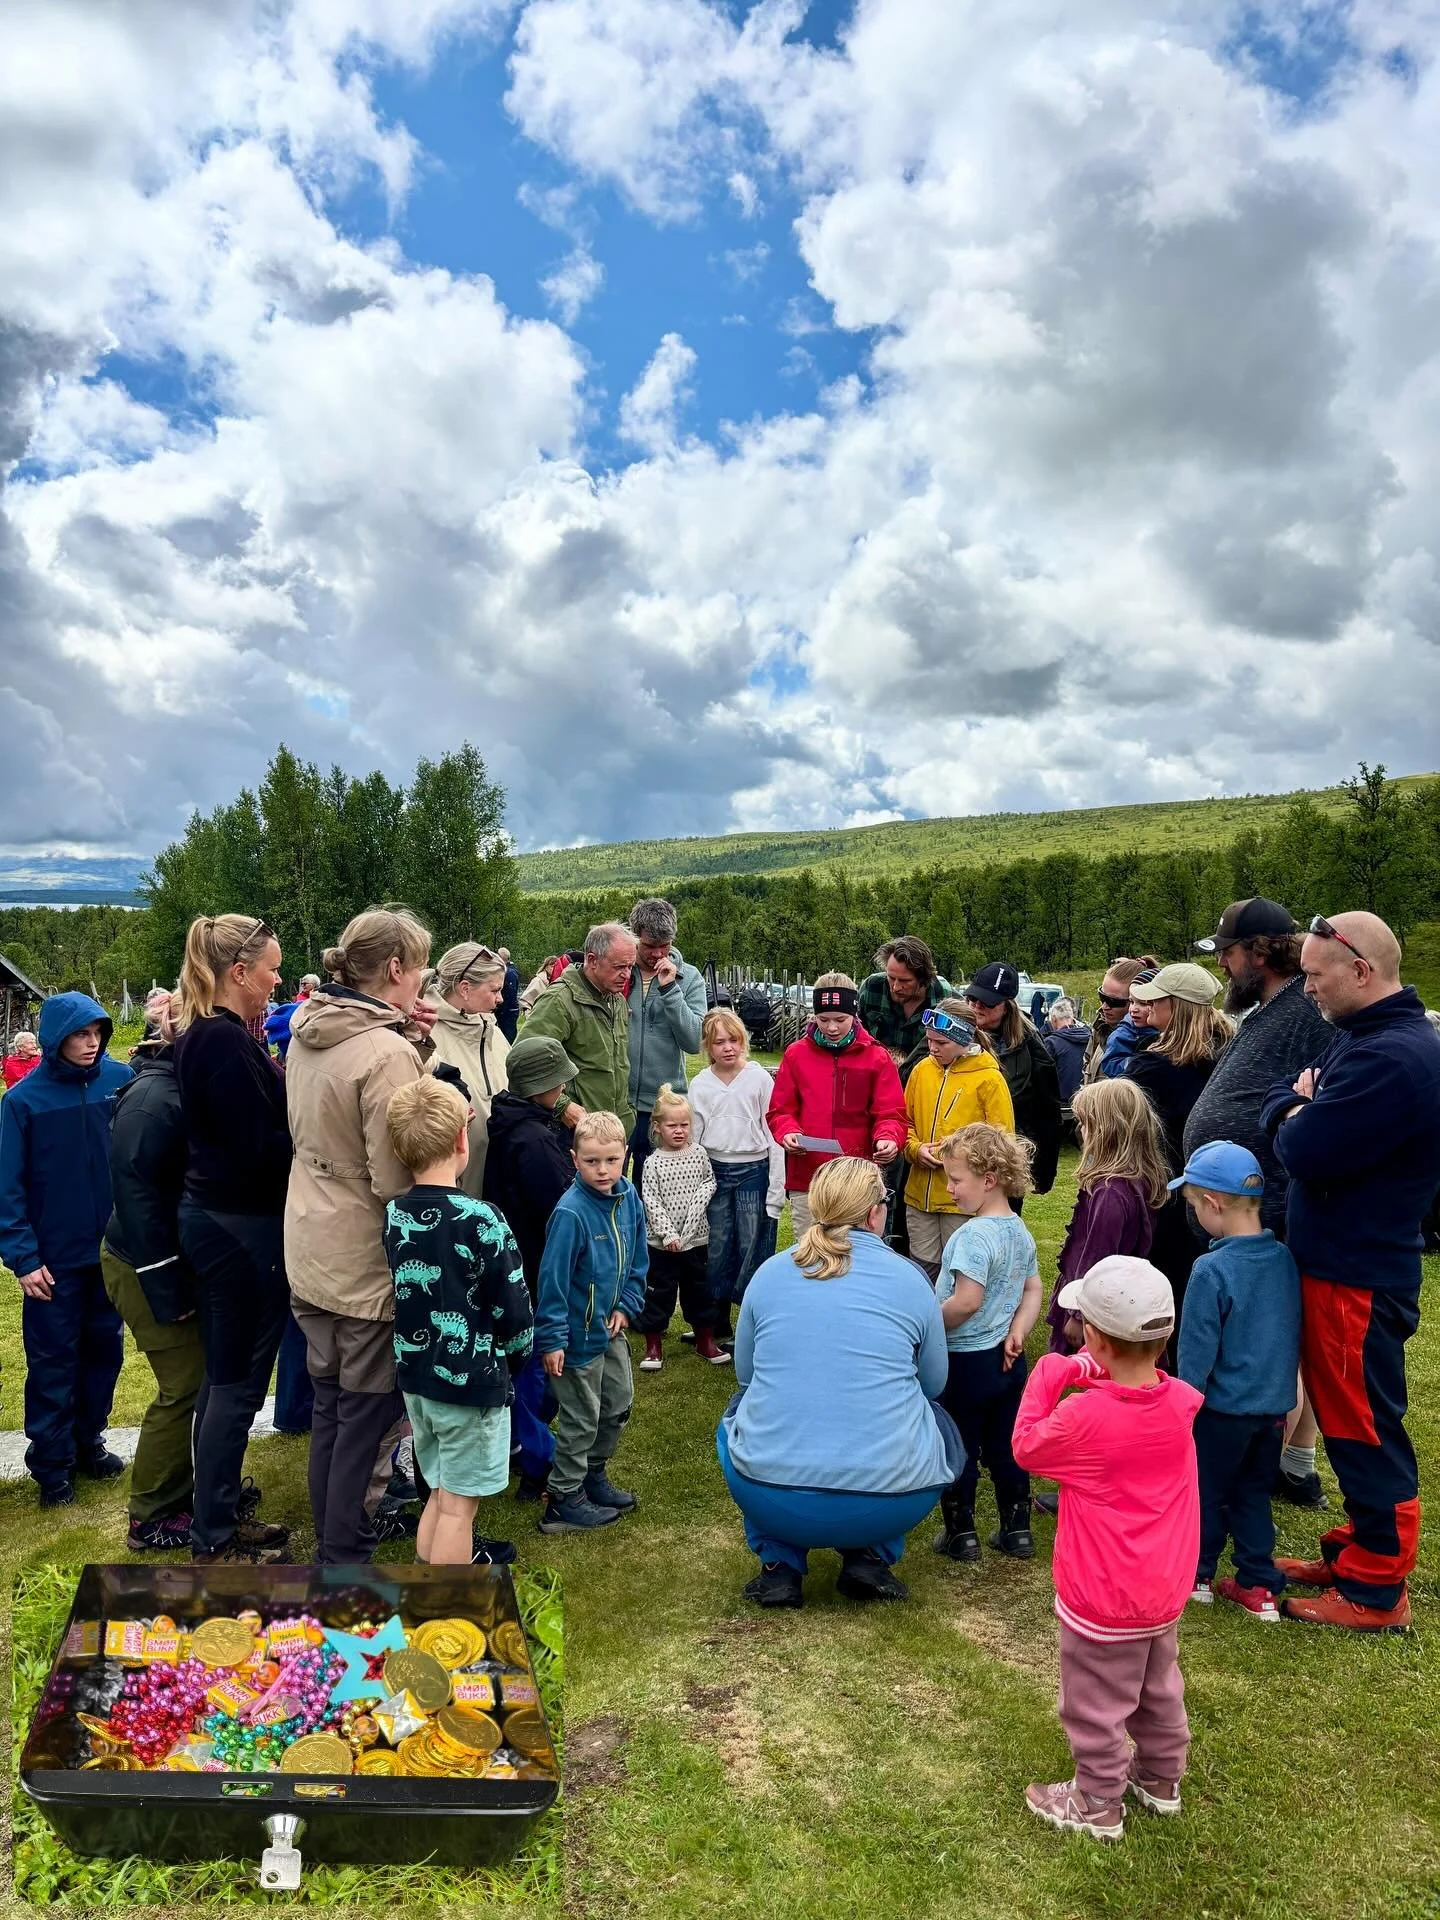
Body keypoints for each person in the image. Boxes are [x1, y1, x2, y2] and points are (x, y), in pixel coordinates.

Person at [1262, 910, 1440, 1632]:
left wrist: (1295, 1108)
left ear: (1360, 970)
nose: (1307, 988)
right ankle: (1358, 1552)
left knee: (1364, 1427)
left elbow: (1305, 1150)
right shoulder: (1371, 1040)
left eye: (1315, 975)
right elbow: (1294, 1105)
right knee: (1348, 1419)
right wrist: (1295, 1104)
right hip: (1347, 1261)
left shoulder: (1390, 1056)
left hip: (1356, 1271)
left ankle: (1375, 1589)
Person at [1014, 1257, 1201, 1843]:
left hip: (1102, 1594)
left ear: (1091, 1336)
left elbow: (1026, 1448)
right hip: (1163, 1587)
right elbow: (1131, 1410)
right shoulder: (1180, 1404)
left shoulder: (1082, 1417)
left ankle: (1097, 1799)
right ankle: (1162, 1778)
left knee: (1094, 1699)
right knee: (1157, 1684)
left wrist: (1051, 1372)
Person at [718, 1156, 956, 1609]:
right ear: (874, 1213)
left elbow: (745, 1376)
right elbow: (934, 1384)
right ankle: (870, 1553)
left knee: (741, 1411)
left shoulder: (769, 1274)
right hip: (892, 1496)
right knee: (935, 1419)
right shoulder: (911, 1279)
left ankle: (778, 1565)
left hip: (770, 1492)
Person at [284, 907, 441, 1566]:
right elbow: (397, 1171)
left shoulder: (309, 1028)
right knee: (367, 1416)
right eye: (421, 970)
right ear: (397, 969)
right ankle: (344, 1551)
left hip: (309, 1236)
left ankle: (334, 1538)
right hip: (363, 1256)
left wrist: (415, 1048)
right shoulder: (384, 1052)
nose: (424, 984)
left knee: (330, 1407)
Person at [1183, 897, 1330, 1509]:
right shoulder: (1269, 1009)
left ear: (1260, 952)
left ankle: (1279, 1462)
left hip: (1266, 1209)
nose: (1223, 964)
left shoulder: (1309, 1009)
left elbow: (1323, 1093)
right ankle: (1267, 1460)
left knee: (1270, 1348)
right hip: (1237, 1207)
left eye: (1229, 952)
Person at [171, 915, 293, 1563]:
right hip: (238, 1229)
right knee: (236, 1384)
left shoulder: (212, 1036)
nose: (277, 979)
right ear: (239, 973)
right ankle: (214, 1536)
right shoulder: (220, 1043)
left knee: (225, 1381)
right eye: (271, 968)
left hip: (223, 1221)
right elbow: (257, 1150)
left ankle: (215, 1515)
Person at [382, 1075, 534, 1565]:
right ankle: (448, 1613)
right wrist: (517, 1356)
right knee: (458, 1509)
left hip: (417, 1379)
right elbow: (512, 1305)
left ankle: (426, 1590)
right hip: (471, 1384)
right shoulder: (482, 1219)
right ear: (461, 1140)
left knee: (442, 1494)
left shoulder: (395, 1214)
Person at [0, 991, 131, 1508]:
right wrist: (24, 1258)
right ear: (56, 1039)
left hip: (110, 1253)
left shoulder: (119, 1083)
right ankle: (52, 1467)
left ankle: (88, 1442)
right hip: (52, 1262)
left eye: (97, 1032)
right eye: (80, 1034)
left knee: (106, 1352)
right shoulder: (23, 1102)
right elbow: (8, 1187)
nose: (91, 1042)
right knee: (54, 1362)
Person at [1173, 1142, 1300, 1622]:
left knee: (1204, 1490)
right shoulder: (1284, 1258)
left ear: (1213, 1204)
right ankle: (1258, 1584)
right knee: (1252, 1492)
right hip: (1272, 1409)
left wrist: (1184, 1403)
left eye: (1192, 1207)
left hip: (1220, 1411)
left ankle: (1198, 1575)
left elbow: (1196, 1348)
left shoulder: (1211, 1268)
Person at [102, 991, 206, 1551]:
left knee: (205, 1378)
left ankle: (195, 1488)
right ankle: (152, 1511)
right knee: (182, 1385)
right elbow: (138, 1203)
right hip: (141, 1265)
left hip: (172, 1258)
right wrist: (166, 1286)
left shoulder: (180, 1087)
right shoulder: (151, 1100)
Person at [931, 1125, 1042, 1563]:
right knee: (1006, 1445)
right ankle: (1017, 1531)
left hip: (965, 1363)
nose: (949, 1188)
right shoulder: (1018, 1229)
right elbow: (1033, 1288)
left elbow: (967, 1301)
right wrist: (1019, 1330)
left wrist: (925, 1325)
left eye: (956, 1180)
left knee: (960, 1444)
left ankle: (961, 1534)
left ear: (989, 1179)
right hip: (1008, 1361)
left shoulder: (972, 1236)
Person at [535, 1109, 648, 1533]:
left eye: (611, 1160)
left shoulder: (628, 1197)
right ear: (574, 1158)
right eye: (591, 1161)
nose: (602, 1170)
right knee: (581, 1417)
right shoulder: (571, 1214)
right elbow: (552, 1282)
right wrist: (552, 1340)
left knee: (616, 1406)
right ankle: (563, 1497)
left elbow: (638, 1253)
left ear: (624, 1156)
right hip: (574, 1339)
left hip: (610, 1328)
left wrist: (627, 1302)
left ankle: (592, 1475)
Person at [483, 1034, 579, 1499]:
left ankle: (523, 1450)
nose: (563, 1090)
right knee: (536, 1368)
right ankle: (538, 1460)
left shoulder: (506, 1118)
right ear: (543, 1085)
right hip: (535, 1264)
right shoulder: (534, 1139)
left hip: (510, 1262)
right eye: (558, 1082)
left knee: (522, 1365)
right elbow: (558, 1207)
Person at [1121, 963, 1234, 1342]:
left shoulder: (1150, 1067)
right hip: (1225, 1190)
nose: (1148, 1007)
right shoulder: (1231, 1058)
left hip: (1165, 1193)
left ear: (1178, 1007)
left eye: (1158, 1000)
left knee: (1167, 1294)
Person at [767, 975, 907, 1236]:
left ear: (854, 1015)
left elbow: (891, 1113)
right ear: (814, 1016)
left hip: (858, 1182)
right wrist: (787, 1132)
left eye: (840, 1020)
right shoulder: (796, 1055)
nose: (831, 1027)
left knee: (856, 1257)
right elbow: (780, 1109)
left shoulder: (877, 1057)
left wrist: (888, 1138)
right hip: (809, 1178)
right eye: (823, 1019)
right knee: (810, 1256)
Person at [1045, 1079, 1168, 1353]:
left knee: (1077, 1374)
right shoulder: (1139, 1179)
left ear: (1106, 1131)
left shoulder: (1110, 1192)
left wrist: (1078, 1315)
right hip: (1120, 1298)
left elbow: (1097, 1256)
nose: (1080, 1131)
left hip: (1093, 1305)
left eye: (1086, 1124)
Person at [689, 1008, 784, 1337]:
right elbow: (694, 1141)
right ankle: (716, 1321)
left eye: (733, 1040)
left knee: (751, 1246)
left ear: (743, 1041)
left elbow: (774, 1133)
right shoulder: (700, 1085)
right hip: (714, 1171)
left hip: (753, 1171)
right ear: (707, 1046)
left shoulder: (758, 1079)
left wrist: (776, 1189)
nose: (727, 1047)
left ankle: (751, 1323)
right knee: (717, 1245)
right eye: (719, 1042)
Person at [901, 1001, 1013, 1278]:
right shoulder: (921, 1071)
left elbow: (1003, 1142)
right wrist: (915, 1149)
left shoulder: (990, 1079)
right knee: (922, 1270)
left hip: (963, 1202)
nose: (933, 1048)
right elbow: (904, 1122)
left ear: (965, 1039)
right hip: (919, 1198)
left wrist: (957, 1160)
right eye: (928, 1040)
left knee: (961, 1273)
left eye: (941, 1042)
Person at [637, 1085, 724, 1370]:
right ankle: (653, 1346)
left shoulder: (699, 1154)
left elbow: (708, 1183)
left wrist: (690, 1225)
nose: (679, 1131)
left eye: (684, 1125)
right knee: (659, 1292)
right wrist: (669, 1235)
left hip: (696, 1241)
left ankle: (705, 1340)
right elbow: (650, 1202)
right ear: (657, 1127)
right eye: (671, 1125)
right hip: (662, 1246)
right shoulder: (653, 1163)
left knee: (699, 1290)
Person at [524, 923, 637, 1136]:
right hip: (576, 1133)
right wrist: (562, 1106)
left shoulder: (618, 1000)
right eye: (619, 967)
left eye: (630, 966)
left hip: (615, 1130)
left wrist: (626, 1113)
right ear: (592, 960)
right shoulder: (559, 1000)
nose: (627, 975)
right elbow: (525, 1060)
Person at [624, 898, 707, 1187]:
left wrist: (670, 989)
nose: (658, 953)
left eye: (665, 945)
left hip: (663, 1107)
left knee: (656, 1192)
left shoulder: (690, 978)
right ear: (634, 936)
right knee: (607, 1185)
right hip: (617, 1101)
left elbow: (695, 1041)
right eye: (649, 946)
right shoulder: (618, 971)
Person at [963, 964, 1062, 1202]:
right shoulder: (953, 1031)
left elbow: (1047, 1108)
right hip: (960, 1152)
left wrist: (1044, 1168)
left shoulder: (1030, 1045)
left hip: (1004, 1156)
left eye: (987, 1002)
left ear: (1007, 1006)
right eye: (973, 998)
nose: (977, 1006)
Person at [425, 942, 510, 1198]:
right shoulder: (427, 1037)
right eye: (494, 989)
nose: (501, 998)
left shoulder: (491, 1029)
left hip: (497, 1178)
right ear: (465, 988)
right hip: (457, 1189)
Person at [856, 936, 952, 1082]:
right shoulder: (871, 988)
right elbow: (855, 1034)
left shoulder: (941, 995)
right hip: (875, 1078)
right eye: (891, 977)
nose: (895, 987)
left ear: (923, 978)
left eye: (905, 981)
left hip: (924, 1080)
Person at [1082, 956, 1162, 1084]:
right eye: (1102, 996)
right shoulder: (1100, 1026)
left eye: (1114, 1001)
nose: (1104, 1007)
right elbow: (1086, 1071)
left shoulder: (1156, 1041)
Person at [263, 974, 322, 1061]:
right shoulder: (299, 996)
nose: (302, 986)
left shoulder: (319, 997)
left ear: (313, 985)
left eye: (305, 983)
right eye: (302, 984)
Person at [1041, 999, 1091, 1103]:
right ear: (1072, 1018)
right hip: (1086, 1099)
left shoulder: (1051, 1043)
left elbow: (1043, 1076)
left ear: (1054, 1019)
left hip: (1061, 1102)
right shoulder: (1090, 1038)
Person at [496, 948, 520, 1044]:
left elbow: (510, 995)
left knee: (507, 1039)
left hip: (508, 1012)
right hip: (506, 1011)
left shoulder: (510, 973)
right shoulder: (509, 971)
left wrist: (500, 1010)